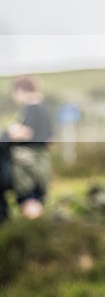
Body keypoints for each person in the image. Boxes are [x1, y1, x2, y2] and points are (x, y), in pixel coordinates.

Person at [3, 75, 53, 220]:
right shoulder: (43, 108)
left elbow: (27, 132)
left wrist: (12, 131)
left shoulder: (32, 108)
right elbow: (49, 137)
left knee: (29, 198)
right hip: (41, 160)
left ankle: (31, 230)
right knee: (35, 198)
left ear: (20, 90)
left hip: (27, 164)